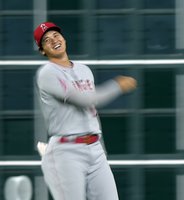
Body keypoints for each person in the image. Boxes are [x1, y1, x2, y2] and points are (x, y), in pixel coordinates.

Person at [33, 22, 137, 200]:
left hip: (94, 147)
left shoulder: (84, 70)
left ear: (63, 38)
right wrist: (116, 85)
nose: (54, 41)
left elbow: (91, 112)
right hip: (67, 151)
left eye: (56, 35)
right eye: (47, 40)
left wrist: (101, 150)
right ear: (43, 50)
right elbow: (85, 100)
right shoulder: (47, 73)